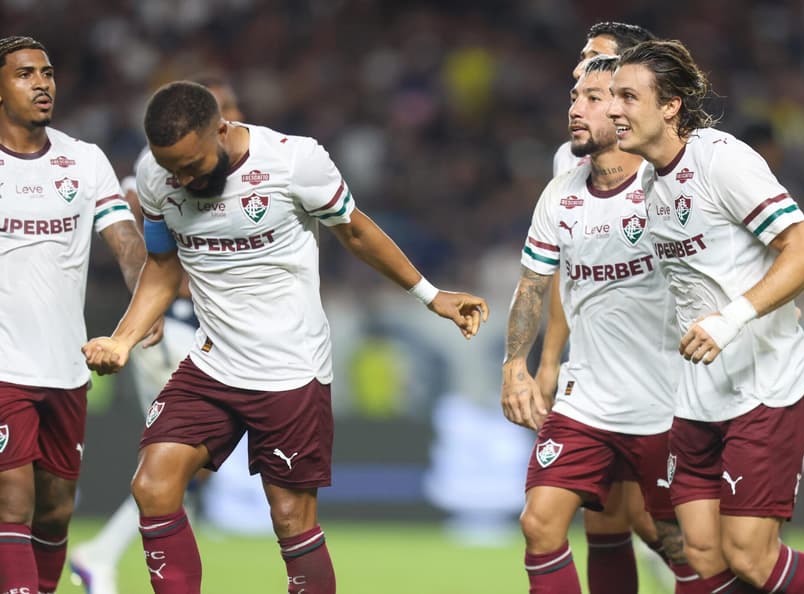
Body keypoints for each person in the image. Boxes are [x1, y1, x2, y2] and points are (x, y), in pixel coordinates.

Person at [81, 81, 489, 594]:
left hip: (290, 370)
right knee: (153, 485)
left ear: (221, 131)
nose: (181, 178)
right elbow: (162, 267)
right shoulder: (155, 177)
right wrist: (122, 339)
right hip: (212, 363)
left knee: (291, 518)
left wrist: (431, 296)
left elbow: (356, 231)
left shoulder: (293, 161)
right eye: (171, 168)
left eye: (191, 165)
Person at [607, 39, 804, 593]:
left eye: (628, 96)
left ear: (670, 105)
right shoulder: (648, 183)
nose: (614, 109)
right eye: (612, 96)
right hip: (698, 393)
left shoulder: (722, 160)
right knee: (701, 551)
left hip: (762, 386)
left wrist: (732, 316)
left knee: (749, 556)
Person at [501, 56, 698, 594]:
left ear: (625, 109)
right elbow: (532, 285)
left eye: (592, 98)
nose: (575, 109)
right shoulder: (560, 194)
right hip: (585, 401)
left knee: (676, 542)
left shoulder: (668, 187)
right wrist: (516, 364)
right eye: (574, 98)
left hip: (666, 402)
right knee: (539, 522)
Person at [68, 73, 246, 594]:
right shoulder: (156, 173)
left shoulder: (234, 170)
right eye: (225, 107)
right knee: (178, 460)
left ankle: (100, 555)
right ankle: (98, 556)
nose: (232, 118)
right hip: (171, 328)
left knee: (188, 468)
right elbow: (137, 238)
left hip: (208, 333)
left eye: (233, 107)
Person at [0, 36, 156, 593]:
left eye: (46, 72)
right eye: (24, 74)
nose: (42, 83)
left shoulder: (84, 160)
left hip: (66, 368)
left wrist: (143, 301)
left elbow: (126, 242)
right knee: (12, 499)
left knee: (55, 510)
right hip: (4, 366)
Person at [540, 23, 676, 594]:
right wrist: (550, 359)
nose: (580, 71)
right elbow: (565, 268)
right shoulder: (571, 162)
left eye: (597, 62)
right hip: (598, 376)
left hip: (667, 374)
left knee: (659, 525)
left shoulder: (670, 156)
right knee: (603, 517)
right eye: (581, 62)